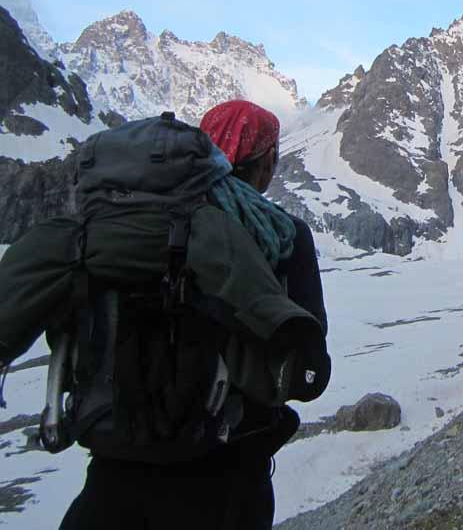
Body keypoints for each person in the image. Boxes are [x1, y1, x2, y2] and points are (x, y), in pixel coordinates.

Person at [59, 101, 328, 530]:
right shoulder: (283, 234)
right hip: (228, 475)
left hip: (114, 470)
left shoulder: (131, 224)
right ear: (267, 162)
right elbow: (307, 366)